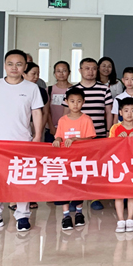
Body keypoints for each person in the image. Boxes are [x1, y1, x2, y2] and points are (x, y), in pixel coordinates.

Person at [0, 49, 43, 234]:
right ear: (4, 65)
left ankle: (22, 216)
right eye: (10, 64)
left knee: (22, 179)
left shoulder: (31, 88)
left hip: (22, 142)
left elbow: (37, 112)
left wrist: (37, 136)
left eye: (19, 64)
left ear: (25, 66)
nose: (14, 68)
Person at [52, 87, 96, 230]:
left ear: (83, 102)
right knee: (64, 186)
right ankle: (66, 215)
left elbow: (90, 139)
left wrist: (76, 139)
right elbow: (59, 136)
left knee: (79, 186)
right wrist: (57, 140)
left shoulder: (86, 119)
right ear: (66, 102)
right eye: (72, 101)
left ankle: (79, 213)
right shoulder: (63, 120)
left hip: (80, 160)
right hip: (65, 160)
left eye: (78, 101)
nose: (75, 104)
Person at [74, 57, 114, 211]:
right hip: (77, 137)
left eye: (93, 69)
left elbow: (109, 112)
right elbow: (66, 113)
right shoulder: (73, 90)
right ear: (80, 70)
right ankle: (76, 197)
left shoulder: (104, 89)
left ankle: (94, 197)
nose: (90, 72)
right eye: (87, 68)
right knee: (77, 167)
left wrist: (108, 131)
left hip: (99, 134)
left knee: (95, 167)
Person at [108, 97, 133, 233]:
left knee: (131, 193)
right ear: (120, 112)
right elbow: (109, 147)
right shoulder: (115, 128)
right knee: (119, 194)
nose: (129, 114)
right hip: (118, 165)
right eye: (126, 110)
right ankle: (120, 220)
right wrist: (119, 140)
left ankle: (129, 219)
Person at [47, 61, 72, 142]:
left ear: (69, 72)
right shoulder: (49, 90)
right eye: (58, 71)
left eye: (64, 71)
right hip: (51, 129)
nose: (61, 73)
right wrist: (51, 127)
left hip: (70, 129)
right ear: (54, 73)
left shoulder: (75, 90)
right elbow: (46, 111)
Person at [24, 62, 50, 142]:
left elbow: (45, 112)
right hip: (22, 124)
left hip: (37, 125)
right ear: (24, 74)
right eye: (33, 74)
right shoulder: (17, 90)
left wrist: (39, 130)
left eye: (38, 74)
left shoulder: (42, 91)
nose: (36, 77)